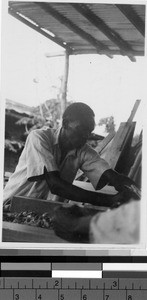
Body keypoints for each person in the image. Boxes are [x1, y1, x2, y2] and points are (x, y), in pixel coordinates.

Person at [3, 102, 136, 209]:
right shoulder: (39, 138)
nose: (85, 136)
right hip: (10, 207)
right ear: (65, 123)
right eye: (81, 129)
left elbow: (109, 174)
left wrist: (129, 187)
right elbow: (55, 185)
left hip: (40, 210)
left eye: (89, 132)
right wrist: (111, 200)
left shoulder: (82, 150)